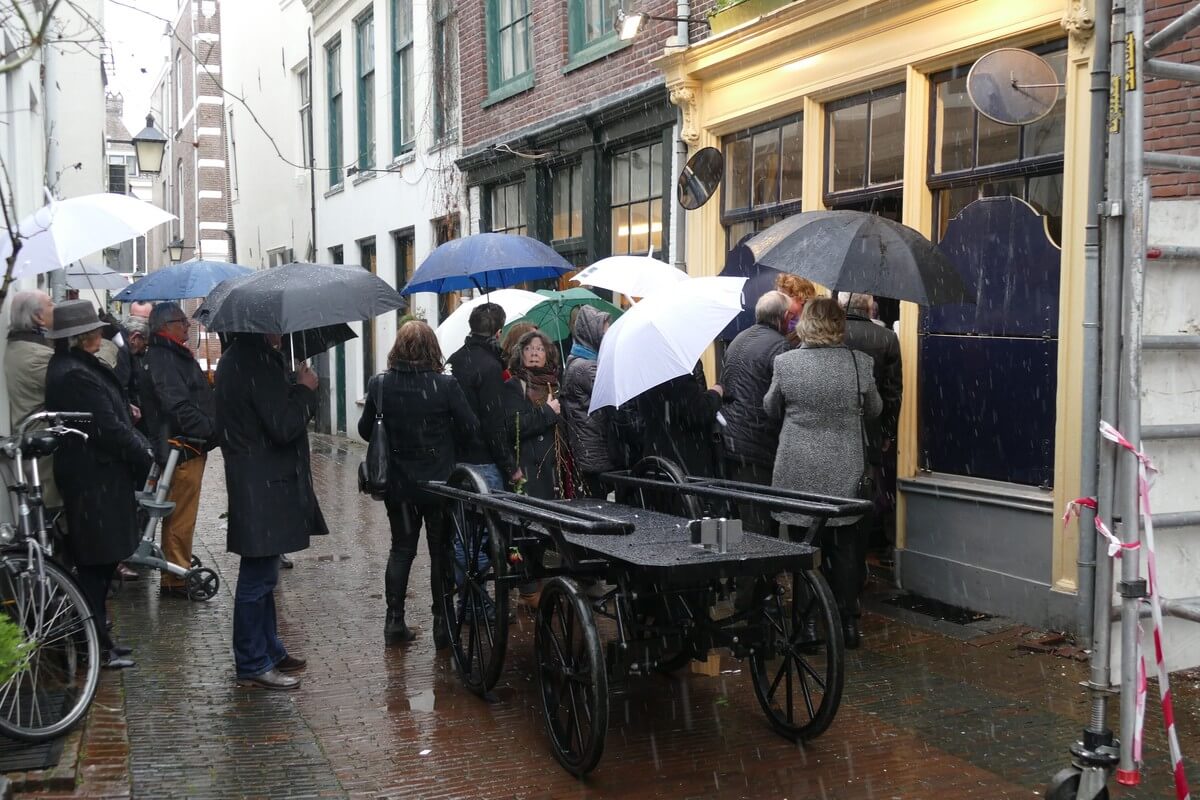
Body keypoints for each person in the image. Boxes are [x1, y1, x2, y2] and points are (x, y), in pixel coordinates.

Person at [44, 300, 155, 669]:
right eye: (93, 331)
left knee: (101, 565)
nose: (99, 335)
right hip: (94, 478)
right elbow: (104, 427)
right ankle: (94, 645)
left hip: (98, 476)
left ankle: (100, 640)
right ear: (79, 337)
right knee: (95, 566)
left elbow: (106, 415)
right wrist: (142, 450)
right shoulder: (74, 373)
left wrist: (124, 413)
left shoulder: (77, 367)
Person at [765, 298, 880, 649]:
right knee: (846, 551)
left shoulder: (785, 362)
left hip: (799, 468)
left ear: (806, 324)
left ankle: (809, 626)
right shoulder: (860, 363)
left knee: (805, 549)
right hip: (845, 469)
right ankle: (848, 625)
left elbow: (771, 407)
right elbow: (875, 409)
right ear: (838, 325)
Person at [215, 332, 326, 690]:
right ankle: (252, 661)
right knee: (258, 576)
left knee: (265, 572)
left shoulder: (241, 358)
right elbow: (283, 426)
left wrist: (291, 385)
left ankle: (270, 650)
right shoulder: (254, 362)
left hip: (256, 480)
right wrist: (305, 389)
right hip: (262, 481)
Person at [358, 321, 478, 646]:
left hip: (398, 487)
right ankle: (442, 623)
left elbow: (365, 430)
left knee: (401, 550)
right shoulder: (445, 385)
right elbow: (470, 427)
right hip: (439, 486)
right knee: (440, 553)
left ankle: (394, 622)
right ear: (432, 349)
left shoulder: (381, 385)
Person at [141, 302, 218, 598]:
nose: (187, 327)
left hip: (185, 446)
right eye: (182, 322)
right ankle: (174, 579)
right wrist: (209, 428)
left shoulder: (169, 355)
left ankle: (176, 568)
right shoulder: (163, 358)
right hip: (181, 448)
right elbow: (177, 406)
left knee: (181, 514)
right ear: (166, 326)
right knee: (180, 516)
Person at [720, 290, 794, 536]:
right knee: (759, 521)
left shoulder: (739, 339)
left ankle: (735, 567)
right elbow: (782, 397)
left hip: (730, 437)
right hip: (758, 441)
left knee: (739, 517)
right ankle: (753, 573)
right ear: (783, 317)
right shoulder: (780, 345)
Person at [838, 292, 903, 551]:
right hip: (870, 428)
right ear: (871, 308)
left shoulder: (831, 334)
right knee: (867, 487)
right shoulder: (887, 338)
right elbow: (893, 391)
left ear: (842, 305)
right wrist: (888, 431)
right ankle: (861, 548)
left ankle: (842, 546)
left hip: (837, 427)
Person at [448, 303, 519, 491]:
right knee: (491, 517)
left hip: (455, 458)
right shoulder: (490, 367)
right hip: (483, 462)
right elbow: (494, 422)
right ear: (498, 333)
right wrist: (510, 465)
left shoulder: (454, 359)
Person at [5, 291, 59, 509]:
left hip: (34, 446)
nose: (56, 306)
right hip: (42, 452)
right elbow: (78, 381)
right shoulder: (36, 356)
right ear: (38, 317)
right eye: (50, 303)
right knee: (51, 515)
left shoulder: (20, 348)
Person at [502, 330, 564, 499]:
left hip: (556, 470)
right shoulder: (514, 385)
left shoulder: (554, 384)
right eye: (529, 349)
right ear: (521, 354)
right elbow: (514, 425)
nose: (535, 353)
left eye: (540, 349)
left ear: (549, 355)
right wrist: (547, 412)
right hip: (531, 470)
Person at [560, 306, 614, 499]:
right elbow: (612, 396)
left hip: (588, 449)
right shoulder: (586, 368)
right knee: (599, 505)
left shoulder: (580, 360)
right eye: (605, 330)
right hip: (595, 450)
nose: (608, 335)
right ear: (593, 333)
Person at [636, 366, 723, 479]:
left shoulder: (643, 370)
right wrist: (716, 393)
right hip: (683, 458)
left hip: (657, 456)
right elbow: (698, 411)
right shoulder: (674, 370)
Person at [776, 274, 819, 346]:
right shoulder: (780, 323)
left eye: (784, 298)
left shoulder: (812, 330)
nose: (779, 302)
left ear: (802, 298)